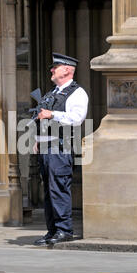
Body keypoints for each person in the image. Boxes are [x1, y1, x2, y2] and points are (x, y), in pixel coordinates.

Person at [33, 53, 88, 246]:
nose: (51, 70)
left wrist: (52, 114)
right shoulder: (54, 92)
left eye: (55, 67)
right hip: (47, 147)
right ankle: (52, 230)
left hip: (61, 147)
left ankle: (64, 230)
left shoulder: (77, 93)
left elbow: (77, 118)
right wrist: (38, 140)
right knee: (49, 190)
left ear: (66, 70)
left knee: (58, 189)